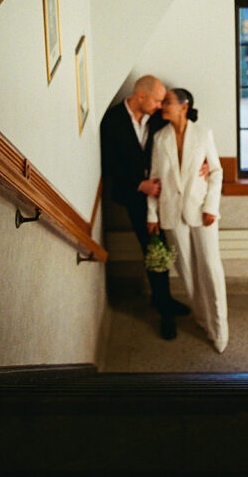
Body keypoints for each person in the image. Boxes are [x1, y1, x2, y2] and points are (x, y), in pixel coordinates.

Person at [100, 74, 191, 340]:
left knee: (166, 246)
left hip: (165, 194)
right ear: (140, 97)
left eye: (164, 101)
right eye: (157, 100)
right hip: (135, 197)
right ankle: (164, 310)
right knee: (155, 250)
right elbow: (109, 165)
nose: (161, 105)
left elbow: (186, 122)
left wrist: (203, 161)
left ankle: (162, 300)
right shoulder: (111, 122)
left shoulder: (156, 116)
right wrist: (140, 185)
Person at [147, 88, 229, 354]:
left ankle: (220, 330)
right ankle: (203, 319)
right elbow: (155, 179)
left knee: (210, 268)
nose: (162, 106)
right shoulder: (159, 138)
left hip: (202, 212)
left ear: (184, 106)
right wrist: (152, 214)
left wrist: (211, 207)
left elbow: (216, 172)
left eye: (167, 102)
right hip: (171, 213)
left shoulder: (203, 134)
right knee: (186, 272)